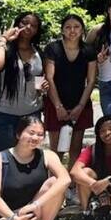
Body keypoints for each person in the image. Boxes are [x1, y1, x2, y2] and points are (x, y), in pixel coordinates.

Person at [0, 116, 71, 220]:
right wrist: (14, 218)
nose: (35, 137)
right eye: (31, 133)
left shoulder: (47, 155)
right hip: (6, 214)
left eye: (40, 134)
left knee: (55, 182)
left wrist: (36, 205)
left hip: (33, 209)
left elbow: (65, 179)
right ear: (18, 134)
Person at [0, 12, 47, 152]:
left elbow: (38, 81)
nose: (28, 27)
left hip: (32, 114)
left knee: (28, 157)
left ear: (37, 30)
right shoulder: (2, 49)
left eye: (34, 25)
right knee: (6, 160)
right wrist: (3, 39)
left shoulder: (39, 54)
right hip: (3, 116)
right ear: (17, 24)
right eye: (24, 23)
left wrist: (42, 88)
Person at [44, 14, 97, 166]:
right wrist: (58, 106)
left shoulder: (88, 50)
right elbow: (49, 78)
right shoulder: (53, 48)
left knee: (75, 148)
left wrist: (80, 106)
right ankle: (55, 181)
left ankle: (73, 183)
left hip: (80, 102)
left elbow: (91, 80)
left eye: (76, 27)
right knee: (56, 150)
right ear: (62, 30)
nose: (72, 31)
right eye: (68, 27)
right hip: (55, 102)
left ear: (82, 30)